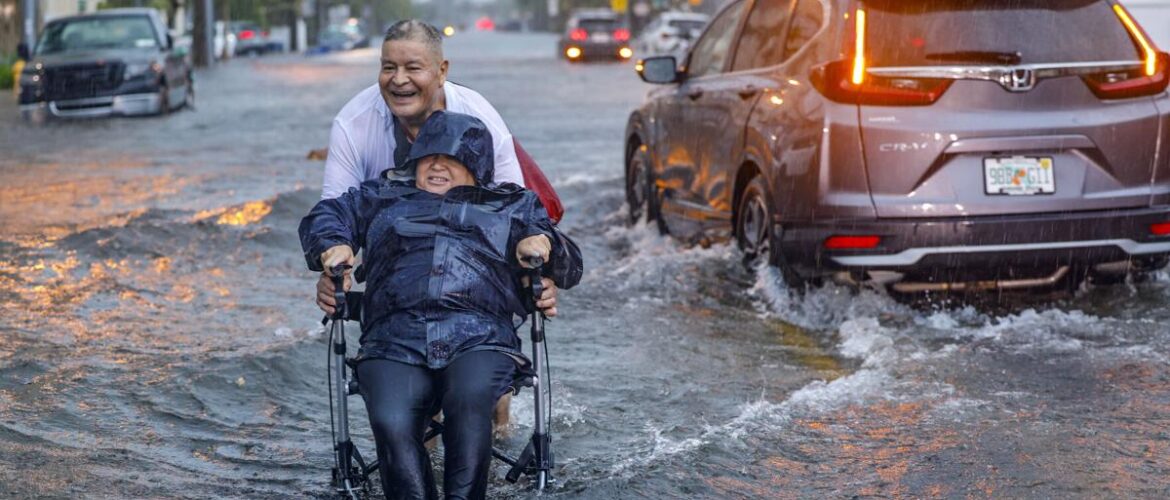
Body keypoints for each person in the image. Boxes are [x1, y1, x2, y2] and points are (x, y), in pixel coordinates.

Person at [299, 111, 582, 500]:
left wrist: (542, 245)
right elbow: (327, 214)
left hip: (479, 336)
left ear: (477, 165)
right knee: (391, 418)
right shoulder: (378, 197)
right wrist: (334, 244)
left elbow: (571, 268)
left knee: (468, 403)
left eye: (451, 158)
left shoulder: (513, 206)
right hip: (393, 338)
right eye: (428, 156)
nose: (436, 165)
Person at [315, 19, 563, 317]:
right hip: (397, 268)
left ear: (442, 71)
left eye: (413, 68)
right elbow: (335, 211)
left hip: (473, 275)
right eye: (389, 67)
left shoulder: (479, 117)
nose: (399, 80)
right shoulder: (353, 123)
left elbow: (514, 209)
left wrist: (537, 274)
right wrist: (333, 265)